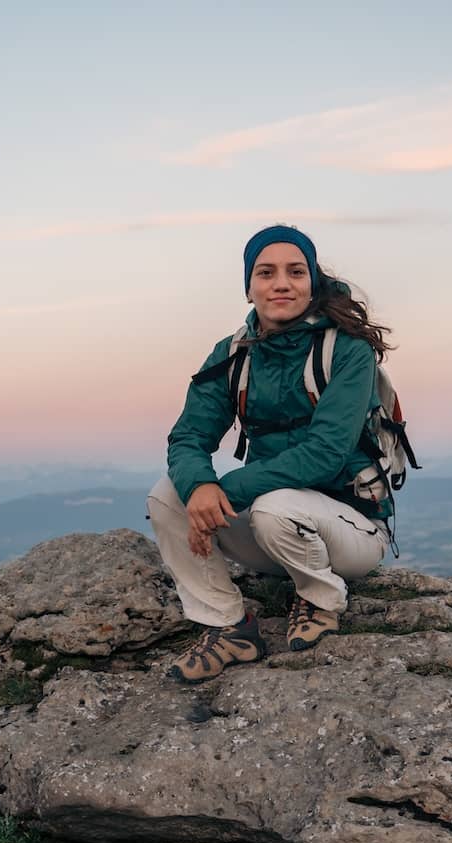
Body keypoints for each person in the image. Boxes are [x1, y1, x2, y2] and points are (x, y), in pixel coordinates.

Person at [147, 225, 395, 683]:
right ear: (249, 287)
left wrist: (221, 493)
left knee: (273, 506)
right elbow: (187, 437)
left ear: (312, 283)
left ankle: (321, 599)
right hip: (272, 533)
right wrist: (199, 487)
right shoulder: (233, 354)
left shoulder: (347, 351)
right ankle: (229, 627)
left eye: (295, 271)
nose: (281, 283)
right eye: (266, 272)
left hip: (352, 531)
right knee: (168, 496)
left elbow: (325, 453)